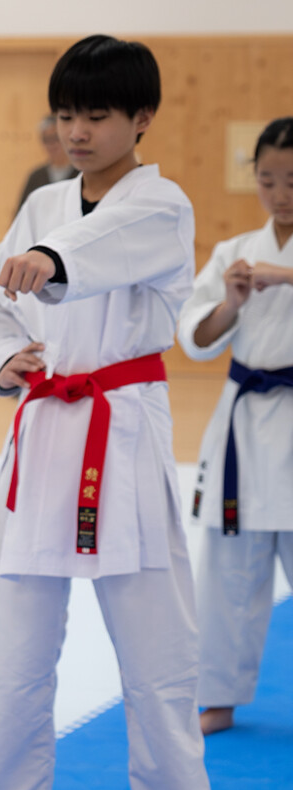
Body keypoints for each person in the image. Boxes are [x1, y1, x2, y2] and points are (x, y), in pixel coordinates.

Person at [0, 35, 211, 790]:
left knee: (157, 664)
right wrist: (5, 357)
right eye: (66, 115)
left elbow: (103, 244)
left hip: (123, 431)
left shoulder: (163, 205)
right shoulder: (43, 204)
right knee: (14, 666)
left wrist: (50, 259)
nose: (75, 132)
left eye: (96, 116)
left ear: (143, 118)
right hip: (43, 433)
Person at [177, 116, 293, 736]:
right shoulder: (234, 252)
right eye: (268, 180)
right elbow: (195, 336)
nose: (280, 194)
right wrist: (232, 303)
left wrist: (287, 276)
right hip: (243, 425)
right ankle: (217, 696)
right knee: (228, 572)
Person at [17, 114, 78, 211]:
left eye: (56, 138)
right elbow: (22, 212)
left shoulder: (81, 173)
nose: (52, 145)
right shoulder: (36, 177)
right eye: (46, 140)